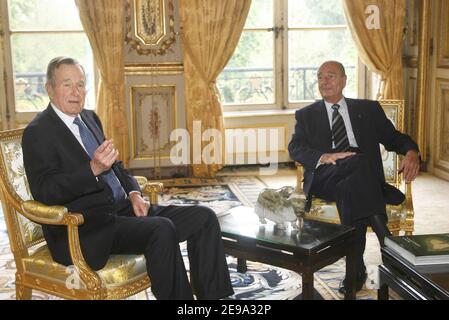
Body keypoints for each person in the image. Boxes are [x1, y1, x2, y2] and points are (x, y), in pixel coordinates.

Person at [22, 56, 234, 300]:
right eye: (67, 84)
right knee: (161, 229)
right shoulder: (38, 132)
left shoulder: (89, 118)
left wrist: (134, 193)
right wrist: (91, 169)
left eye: (80, 84)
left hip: (123, 210)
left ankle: (212, 299)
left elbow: (116, 165)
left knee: (204, 217)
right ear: (49, 88)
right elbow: (44, 190)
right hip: (87, 227)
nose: (76, 92)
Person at [288, 60, 420, 294]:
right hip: (325, 177)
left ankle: (355, 268)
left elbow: (394, 138)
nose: (324, 81)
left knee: (352, 183)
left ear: (344, 80)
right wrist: (324, 156)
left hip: (354, 181)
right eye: (320, 77)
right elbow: (295, 148)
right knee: (358, 162)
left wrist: (412, 152)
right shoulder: (306, 115)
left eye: (330, 75)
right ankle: (387, 244)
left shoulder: (368, 109)